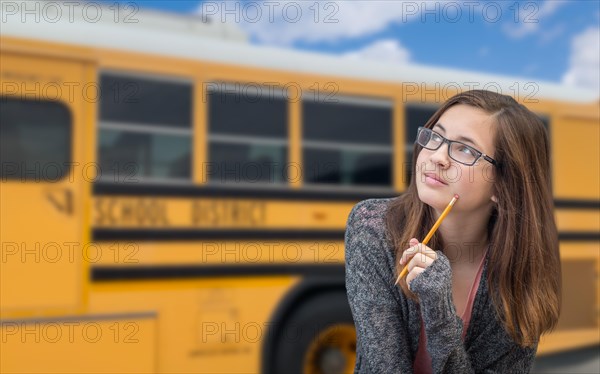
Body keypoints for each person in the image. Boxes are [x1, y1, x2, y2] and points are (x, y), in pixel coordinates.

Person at [344, 90, 561, 373]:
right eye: (436, 136)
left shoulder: (517, 273)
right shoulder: (372, 226)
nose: (437, 157)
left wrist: (439, 307)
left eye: (465, 149)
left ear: (502, 185)